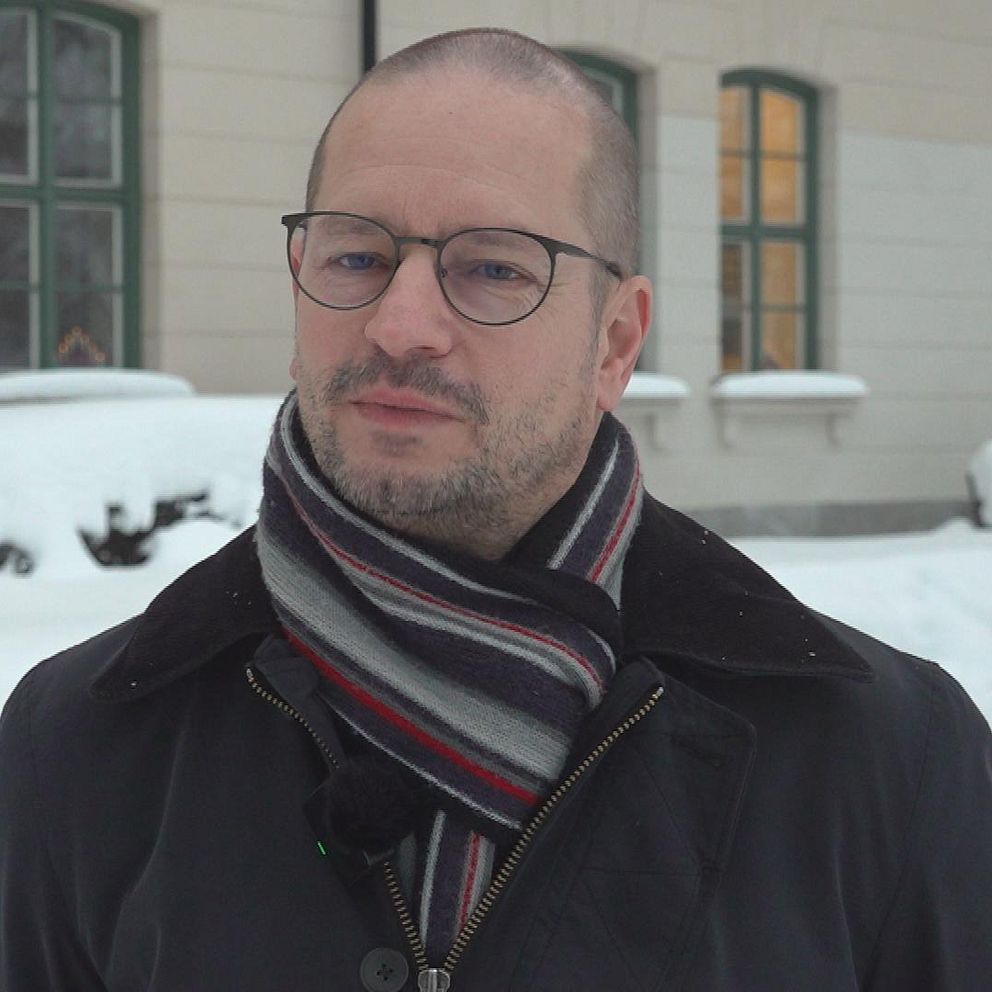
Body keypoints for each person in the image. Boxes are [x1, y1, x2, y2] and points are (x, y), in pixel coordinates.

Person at [1, 28, 990, 992]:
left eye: (493, 267)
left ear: (614, 342)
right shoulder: (78, 749)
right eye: (355, 256)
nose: (400, 325)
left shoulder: (883, 763)